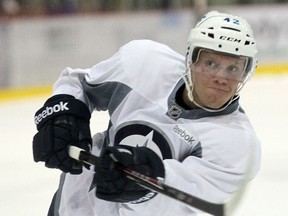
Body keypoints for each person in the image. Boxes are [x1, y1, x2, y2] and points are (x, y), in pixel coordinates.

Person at [32, 11, 261, 216]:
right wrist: (62, 115)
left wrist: (143, 178)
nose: (221, 77)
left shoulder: (238, 145)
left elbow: (174, 201)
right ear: (190, 59)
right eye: (211, 63)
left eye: (233, 68)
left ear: (245, 73)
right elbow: (79, 83)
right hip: (72, 206)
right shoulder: (143, 62)